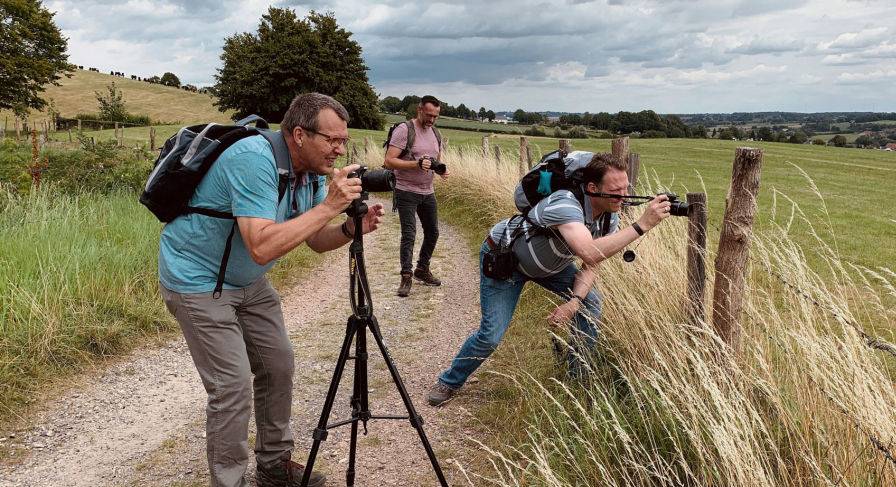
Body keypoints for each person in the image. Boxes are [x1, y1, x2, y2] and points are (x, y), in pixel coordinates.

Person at [157, 93, 384, 487]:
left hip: (248, 282)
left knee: (278, 366)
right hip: (198, 281)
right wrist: (330, 207)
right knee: (232, 387)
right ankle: (229, 482)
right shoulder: (254, 159)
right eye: (331, 140)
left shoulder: (309, 172)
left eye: (343, 141)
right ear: (299, 134)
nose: (339, 149)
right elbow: (262, 246)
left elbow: (314, 239)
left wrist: (349, 229)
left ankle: (274, 467)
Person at [428, 153, 672, 406]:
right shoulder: (564, 204)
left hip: (550, 267)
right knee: (491, 335)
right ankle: (449, 382)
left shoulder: (609, 215)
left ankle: (576, 384)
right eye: (615, 190)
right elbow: (589, 251)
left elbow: (592, 263)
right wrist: (642, 224)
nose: (623, 196)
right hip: (506, 260)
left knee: (590, 304)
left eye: (625, 188)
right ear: (592, 188)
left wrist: (574, 302)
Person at [383, 95, 451, 297]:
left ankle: (422, 269)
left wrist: (441, 171)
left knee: (433, 233)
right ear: (419, 110)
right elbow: (389, 161)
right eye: (428, 115)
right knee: (409, 234)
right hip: (405, 190)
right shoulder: (405, 130)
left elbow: (435, 161)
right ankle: (406, 276)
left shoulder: (436, 133)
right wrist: (416, 164)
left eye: (435, 116)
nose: (431, 120)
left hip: (427, 191)